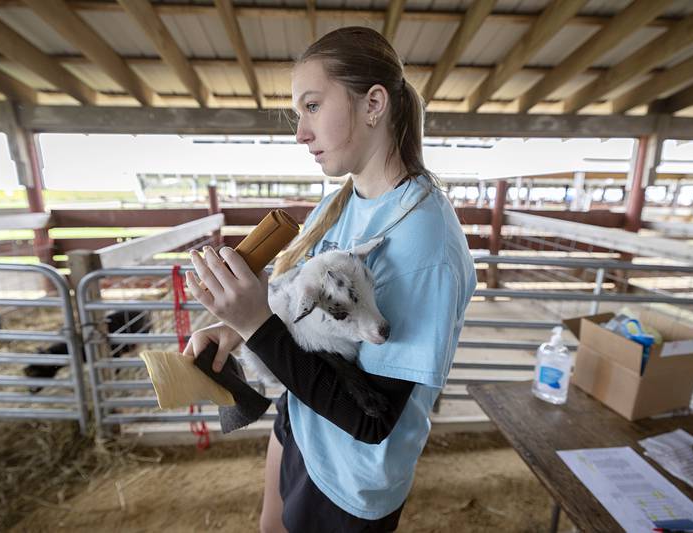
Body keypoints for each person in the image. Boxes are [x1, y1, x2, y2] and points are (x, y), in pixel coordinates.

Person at [183, 26, 476, 533]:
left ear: (373, 103)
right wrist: (234, 328)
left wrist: (256, 325)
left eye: (312, 106)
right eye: (299, 113)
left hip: (349, 478)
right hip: (300, 420)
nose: (300, 132)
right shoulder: (340, 203)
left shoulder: (422, 242)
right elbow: (300, 307)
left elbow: (372, 419)